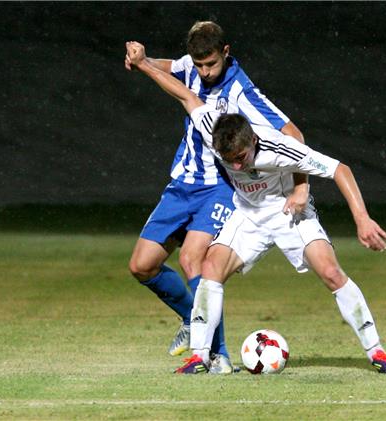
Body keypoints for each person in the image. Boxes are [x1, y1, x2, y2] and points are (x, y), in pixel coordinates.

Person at [126, 41, 386, 375]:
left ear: (253, 143)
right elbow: (186, 96)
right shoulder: (213, 128)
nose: (238, 167)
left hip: (289, 213)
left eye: (242, 159)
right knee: (209, 268)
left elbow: (340, 170)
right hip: (247, 214)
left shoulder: (276, 146)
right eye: (230, 161)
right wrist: (144, 65)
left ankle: (377, 352)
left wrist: (360, 218)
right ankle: (201, 356)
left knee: (331, 272)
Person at [125, 22, 309, 374]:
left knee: (193, 260)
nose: (204, 72)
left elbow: (292, 133)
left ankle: (218, 355)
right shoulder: (193, 67)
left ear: (226, 53)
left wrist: (300, 184)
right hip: (182, 183)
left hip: (220, 188)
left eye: (211, 64)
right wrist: (144, 59)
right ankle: (193, 321)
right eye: (199, 66)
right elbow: (175, 68)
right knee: (141, 265)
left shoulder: (240, 91)